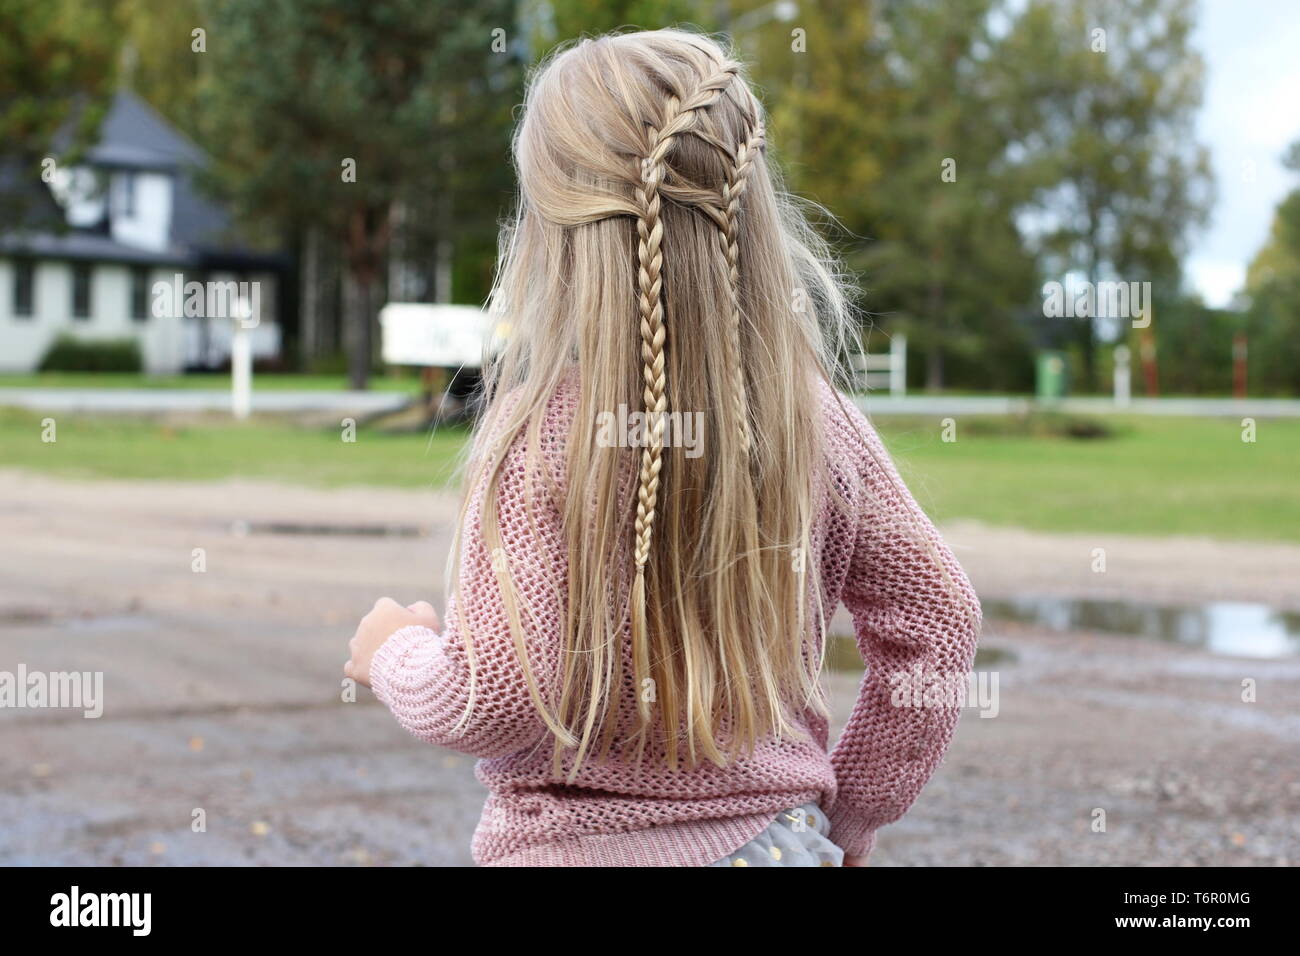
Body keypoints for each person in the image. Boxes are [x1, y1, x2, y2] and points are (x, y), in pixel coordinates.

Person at [343, 28, 981, 868]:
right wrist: (856, 812)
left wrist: (392, 651)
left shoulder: (540, 432)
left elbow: (492, 700)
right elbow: (940, 622)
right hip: (781, 848)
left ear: (547, 227)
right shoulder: (812, 420)